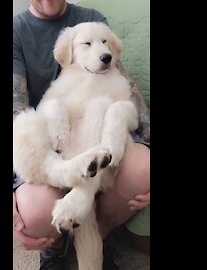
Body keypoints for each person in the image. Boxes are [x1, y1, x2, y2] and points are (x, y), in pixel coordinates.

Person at [13, 1, 150, 269]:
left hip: (99, 151)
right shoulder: (18, 31)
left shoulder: (92, 20)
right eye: (88, 45)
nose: (102, 51)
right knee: (34, 207)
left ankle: (99, 230)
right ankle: (55, 246)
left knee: (143, 162)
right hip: (55, 155)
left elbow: (128, 92)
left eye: (104, 44)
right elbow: (19, 112)